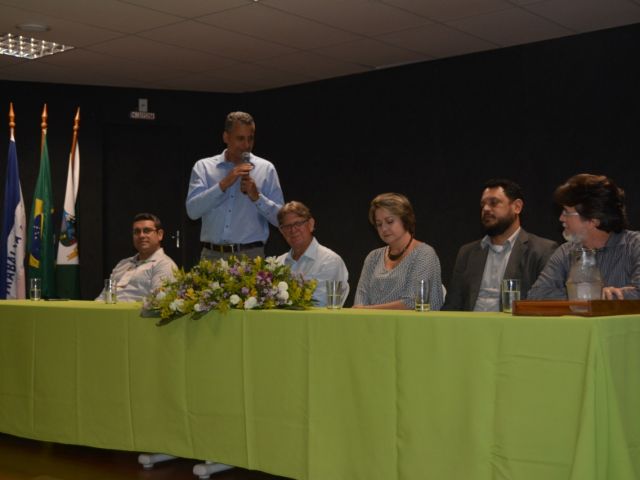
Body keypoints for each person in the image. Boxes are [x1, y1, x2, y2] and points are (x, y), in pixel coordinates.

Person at [443, 179, 558, 311]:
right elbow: (452, 305)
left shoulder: (541, 251)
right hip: (470, 329)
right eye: (483, 205)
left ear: (517, 207)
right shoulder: (467, 252)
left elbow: (545, 307)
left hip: (514, 329)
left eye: (493, 203)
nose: (485, 209)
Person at [185, 111, 284, 260]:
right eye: (240, 139)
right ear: (226, 137)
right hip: (212, 257)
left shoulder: (266, 169)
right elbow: (192, 212)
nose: (246, 145)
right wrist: (224, 184)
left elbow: (281, 220)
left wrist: (258, 198)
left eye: (250, 139)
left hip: (250, 256)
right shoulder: (204, 167)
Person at [528, 173, 640, 300]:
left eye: (567, 212)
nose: (561, 218)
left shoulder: (635, 246)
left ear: (594, 220)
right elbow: (536, 295)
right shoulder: (565, 252)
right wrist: (595, 295)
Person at [353, 193, 443, 310]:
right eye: (379, 224)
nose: (384, 229)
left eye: (390, 221)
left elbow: (412, 303)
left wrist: (368, 310)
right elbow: (360, 301)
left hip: (414, 326)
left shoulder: (424, 253)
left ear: (405, 219)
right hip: (373, 325)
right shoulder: (373, 257)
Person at [276, 201, 349, 307]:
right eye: (287, 226)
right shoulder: (278, 263)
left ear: (311, 224)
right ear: (281, 231)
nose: (293, 230)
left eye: (298, 223)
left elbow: (320, 304)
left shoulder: (329, 261)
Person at [96, 213, 177, 302]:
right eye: (137, 232)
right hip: (108, 313)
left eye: (147, 230)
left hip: (133, 315)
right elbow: (103, 297)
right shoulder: (123, 263)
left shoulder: (164, 264)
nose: (141, 235)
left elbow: (159, 303)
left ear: (160, 234)